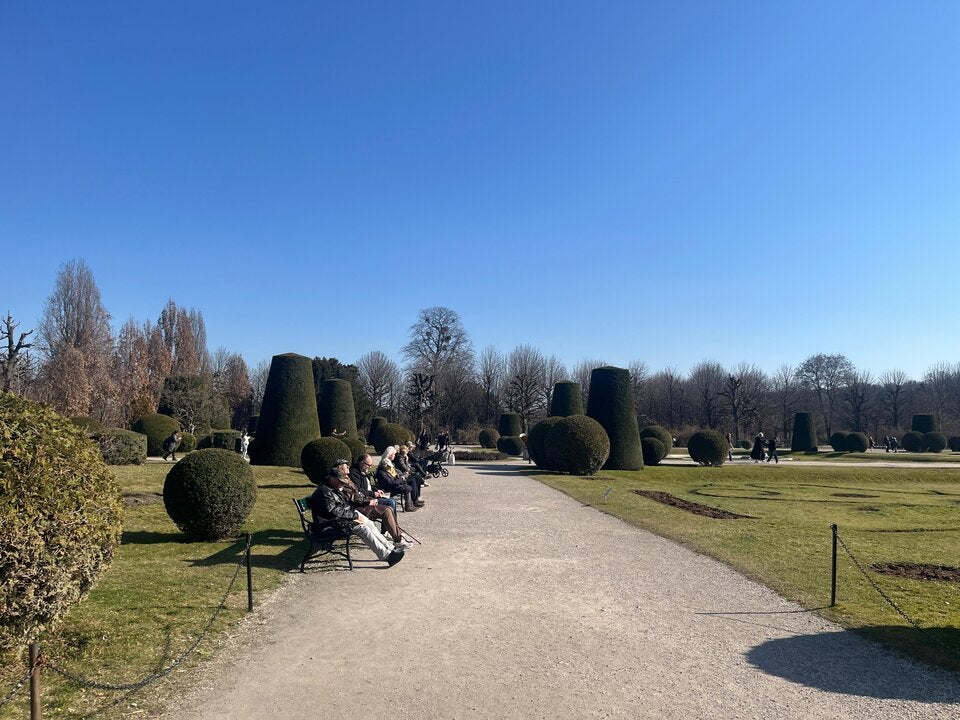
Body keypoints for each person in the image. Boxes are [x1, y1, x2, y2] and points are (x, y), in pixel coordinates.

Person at [310, 466, 405, 567]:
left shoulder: (333, 487)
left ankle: (389, 548)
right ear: (332, 479)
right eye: (340, 481)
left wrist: (356, 515)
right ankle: (386, 556)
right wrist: (355, 515)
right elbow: (334, 511)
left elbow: (343, 506)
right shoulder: (325, 492)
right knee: (362, 528)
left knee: (368, 522)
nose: (342, 484)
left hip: (336, 520)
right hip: (327, 525)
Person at [325, 459, 411, 550]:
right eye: (346, 466)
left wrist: (372, 494)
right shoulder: (342, 481)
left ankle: (396, 535)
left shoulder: (347, 478)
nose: (348, 467)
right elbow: (352, 499)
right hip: (357, 507)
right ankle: (396, 538)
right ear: (340, 469)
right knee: (388, 508)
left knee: (388, 507)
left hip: (362, 502)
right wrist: (369, 501)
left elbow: (359, 491)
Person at [376, 446, 423, 511]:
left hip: (395, 480)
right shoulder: (386, 463)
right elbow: (391, 478)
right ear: (390, 454)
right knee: (412, 480)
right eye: (394, 454)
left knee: (415, 479)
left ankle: (414, 501)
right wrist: (402, 477)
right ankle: (412, 502)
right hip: (390, 485)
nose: (395, 455)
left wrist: (401, 475)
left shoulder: (387, 462)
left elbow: (394, 473)